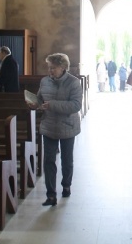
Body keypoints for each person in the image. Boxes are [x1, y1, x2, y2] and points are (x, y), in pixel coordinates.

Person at [26, 53, 83, 207]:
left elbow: (76, 105)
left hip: (67, 126)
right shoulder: (44, 81)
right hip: (49, 125)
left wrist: (52, 105)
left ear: (63, 67)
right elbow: (40, 98)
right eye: (49, 68)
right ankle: (51, 194)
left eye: (53, 68)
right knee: (49, 160)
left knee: (66, 159)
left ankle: (66, 185)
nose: (50, 71)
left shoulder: (74, 83)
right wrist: (34, 103)